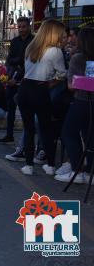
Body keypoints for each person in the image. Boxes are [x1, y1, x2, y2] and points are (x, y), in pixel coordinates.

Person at [16, 19, 67, 176]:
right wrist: (51, 83)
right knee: (46, 129)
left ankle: (29, 164)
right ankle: (50, 165)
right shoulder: (55, 51)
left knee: (29, 128)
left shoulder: (31, 47)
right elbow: (62, 74)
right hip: (40, 89)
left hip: (25, 89)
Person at [56, 27, 94, 183]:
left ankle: (77, 169)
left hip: (81, 101)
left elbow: (72, 85)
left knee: (69, 132)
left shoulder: (77, 58)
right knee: (89, 136)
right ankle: (91, 171)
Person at [0, 17, 34, 144]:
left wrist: (18, 67)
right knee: (10, 106)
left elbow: (29, 62)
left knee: (26, 109)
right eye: (20, 27)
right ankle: (9, 135)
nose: (22, 29)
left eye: (24, 26)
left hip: (26, 77)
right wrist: (8, 76)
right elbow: (10, 60)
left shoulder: (33, 41)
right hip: (12, 76)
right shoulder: (15, 41)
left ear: (29, 27)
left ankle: (27, 140)